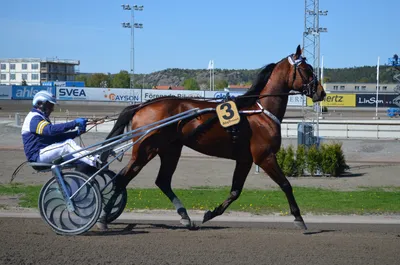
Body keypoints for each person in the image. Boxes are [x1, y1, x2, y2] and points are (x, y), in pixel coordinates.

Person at [21, 90, 101, 168]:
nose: (52, 109)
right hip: (37, 156)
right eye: (50, 106)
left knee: (82, 161)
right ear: (40, 104)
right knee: (67, 144)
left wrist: (77, 132)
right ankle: (95, 161)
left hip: (45, 154)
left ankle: (81, 177)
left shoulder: (41, 118)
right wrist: (74, 123)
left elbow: (56, 138)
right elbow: (50, 130)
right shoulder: (34, 118)